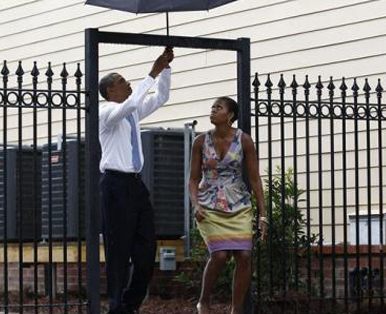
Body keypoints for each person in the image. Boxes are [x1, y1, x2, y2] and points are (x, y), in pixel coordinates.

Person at [98, 46, 174, 314]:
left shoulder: (130, 114)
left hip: (136, 186)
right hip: (115, 185)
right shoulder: (106, 113)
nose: (128, 84)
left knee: (146, 250)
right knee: (118, 250)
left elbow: (161, 97)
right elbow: (131, 103)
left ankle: (129, 305)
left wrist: (164, 69)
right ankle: (116, 306)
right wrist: (151, 72)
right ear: (110, 91)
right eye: (122, 82)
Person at [188, 96, 268, 314]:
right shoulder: (200, 142)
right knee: (220, 255)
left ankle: (236, 308)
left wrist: (263, 215)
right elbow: (193, 179)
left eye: (218, 108)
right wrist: (195, 205)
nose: (213, 111)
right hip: (209, 206)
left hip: (239, 204)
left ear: (230, 115)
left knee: (244, 255)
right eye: (212, 107)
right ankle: (204, 301)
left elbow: (254, 179)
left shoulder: (244, 141)